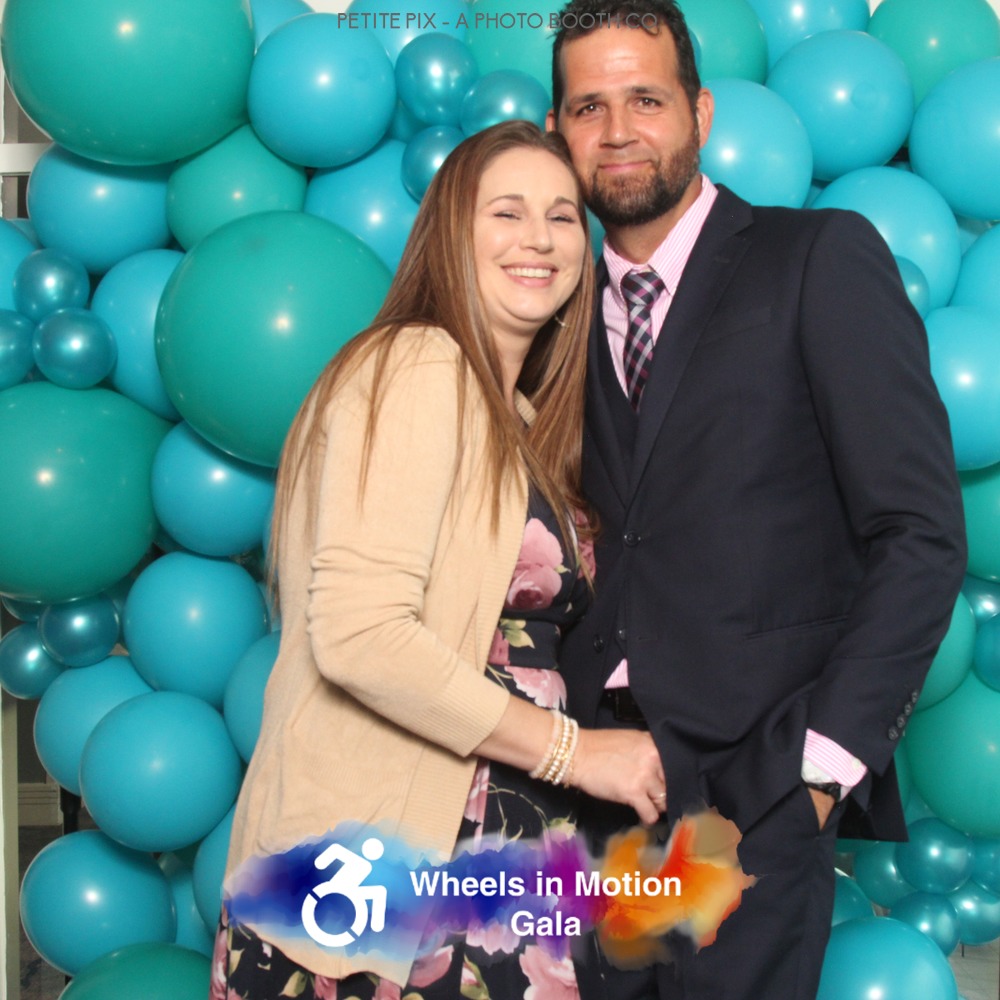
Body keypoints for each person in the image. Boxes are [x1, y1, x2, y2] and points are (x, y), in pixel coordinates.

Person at [546, 3, 968, 998]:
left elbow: (917, 531)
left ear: (700, 113)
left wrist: (819, 770)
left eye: (646, 100)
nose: (617, 131)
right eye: (588, 107)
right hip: (579, 791)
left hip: (753, 794)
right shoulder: (550, 303)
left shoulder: (817, 258)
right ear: (557, 131)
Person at [215, 120, 667, 1000]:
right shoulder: (420, 363)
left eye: (562, 217)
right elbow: (361, 635)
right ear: (450, 234)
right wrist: (577, 753)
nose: (539, 238)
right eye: (506, 212)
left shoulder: (517, 416)